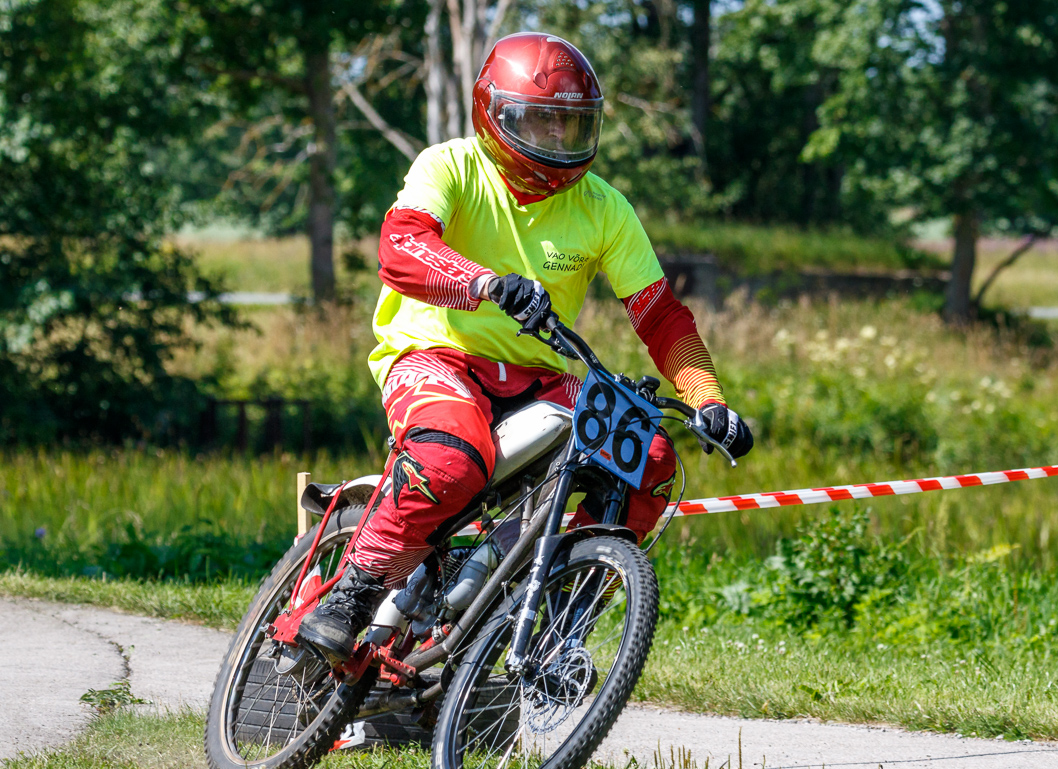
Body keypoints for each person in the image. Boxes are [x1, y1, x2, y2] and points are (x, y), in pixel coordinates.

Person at [297, 31, 753, 664]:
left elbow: (660, 315)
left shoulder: (605, 207)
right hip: (433, 354)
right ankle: (352, 594)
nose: (559, 139)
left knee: (650, 459)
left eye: (574, 124)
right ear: (496, 114)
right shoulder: (449, 165)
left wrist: (708, 400)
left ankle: (559, 620)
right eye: (541, 121)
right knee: (452, 460)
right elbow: (401, 246)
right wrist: (485, 284)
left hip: (537, 375)